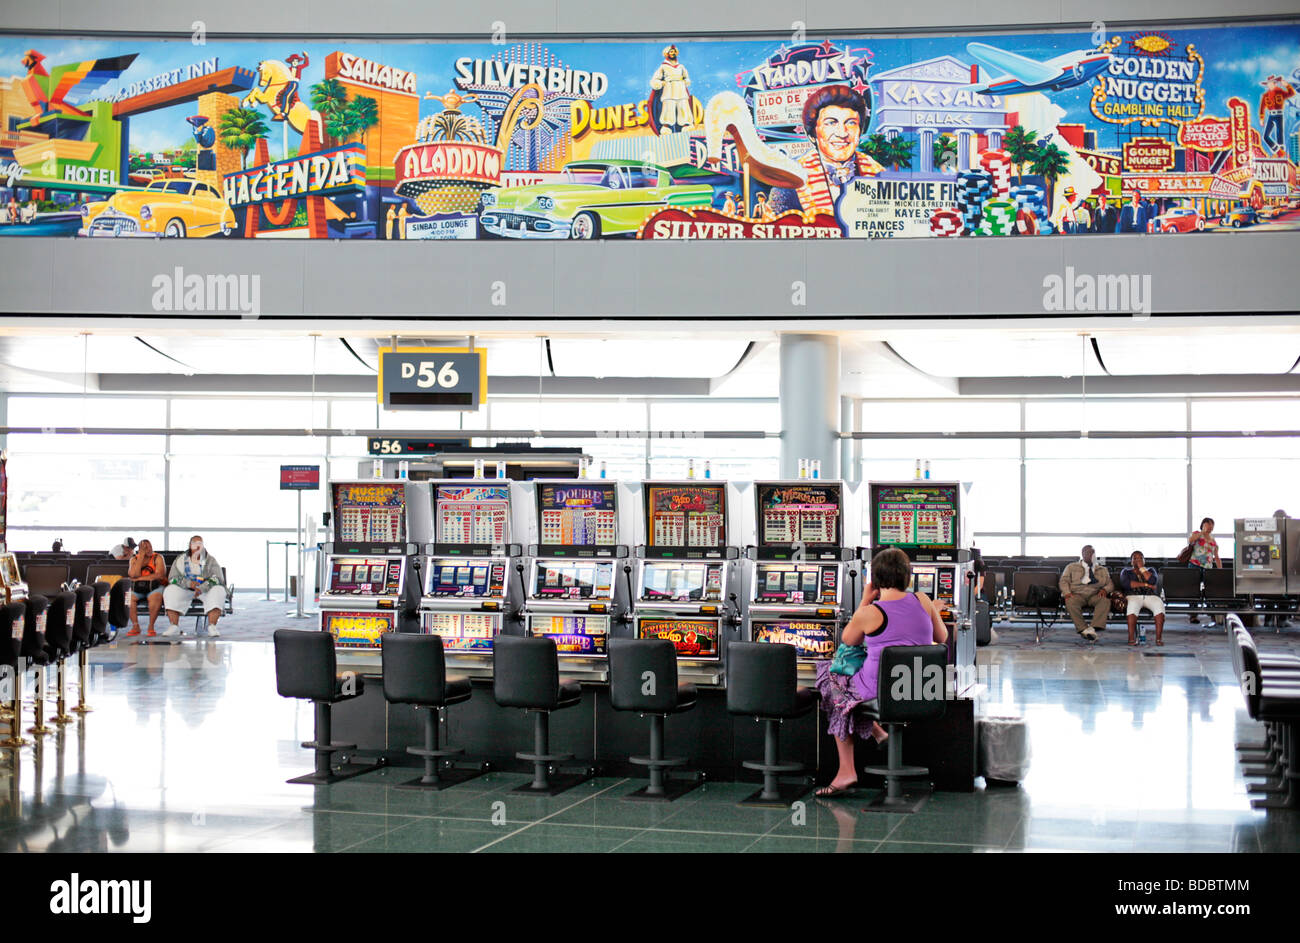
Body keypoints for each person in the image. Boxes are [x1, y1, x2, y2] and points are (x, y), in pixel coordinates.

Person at [814, 547, 948, 797]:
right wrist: (934, 612)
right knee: (845, 689)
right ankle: (877, 732)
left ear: (874, 579)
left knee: (830, 677)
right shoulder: (923, 599)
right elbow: (941, 637)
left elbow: (847, 641)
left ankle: (847, 769)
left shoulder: (869, 612)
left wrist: (865, 600)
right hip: (922, 688)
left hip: (880, 692)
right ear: (907, 576)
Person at [767, 84, 884, 216]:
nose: (842, 133)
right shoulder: (790, 181)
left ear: (860, 131)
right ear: (812, 135)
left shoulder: (879, 173)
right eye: (831, 123)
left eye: (851, 123)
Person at [161, 535, 226, 637]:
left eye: (200, 544)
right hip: (185, 589)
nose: (197, 546)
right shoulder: (180, 559)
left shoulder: (210, 560)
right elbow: (172, 578)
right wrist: (188, 583)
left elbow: (218, 578)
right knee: (170, 590)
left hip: (205, 590)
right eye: (195, 544)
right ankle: (174, 626)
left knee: (219, 590)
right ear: (190, 545)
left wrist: (202, 587)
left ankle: (212, 626)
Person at [1059, 544, 1112, 640]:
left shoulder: (1102, 569)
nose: (1091, 554)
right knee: (1070, 601)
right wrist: (1067, 592)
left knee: (1105, 601)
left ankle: (1092, 628)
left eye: (1092, 552)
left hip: (1095, 594)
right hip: (1077, 594)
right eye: (1088, 552)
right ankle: (1083, 628)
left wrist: (1105, 589)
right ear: (1082, 554)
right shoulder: (1071, 567)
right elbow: (1063, 581)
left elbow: (1110, 584)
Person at [1119, 551, 1165, 646]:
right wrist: (1145, 584)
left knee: (1159, 605)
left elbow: (1153, 581)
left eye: (1140, 558)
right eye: (1135, 558)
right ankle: (1131, 638)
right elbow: (1127, 584)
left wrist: (1142, 569)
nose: (1137, 560)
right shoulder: (1126, 571)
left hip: (1150, 596)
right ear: (1131, 561)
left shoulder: (1151, 570)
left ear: (1144, 560)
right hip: (1133, 596)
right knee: (1132, 606)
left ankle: (1158, 639)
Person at [125, 539, 166, 637]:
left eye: (150, 547)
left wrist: (139, 578)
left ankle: (151, 626)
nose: (149, 549)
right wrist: (141, 556)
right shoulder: (134, 559)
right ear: (140, 549)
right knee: (128, 597)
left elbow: (159, 575)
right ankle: (135, 626)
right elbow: (133, 574)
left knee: (155, 597)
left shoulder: (158, 557)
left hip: (154, 587)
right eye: (145, 548)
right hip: (138, 588)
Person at [1185, 517, 1221, 624]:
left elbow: (1217, 556)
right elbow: (1190, 540)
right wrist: (1202, 532)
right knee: (1193, 590)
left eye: (1212, 524)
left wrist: (1220, 570)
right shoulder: (1197, 534)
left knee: (1210, 590)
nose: (1210, 526)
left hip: (1208, 568)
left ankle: (1212, 614)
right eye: (1208, 524)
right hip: (1195, 565)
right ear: (1203, 524)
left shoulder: (1213, 540)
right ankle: (1193, 615)